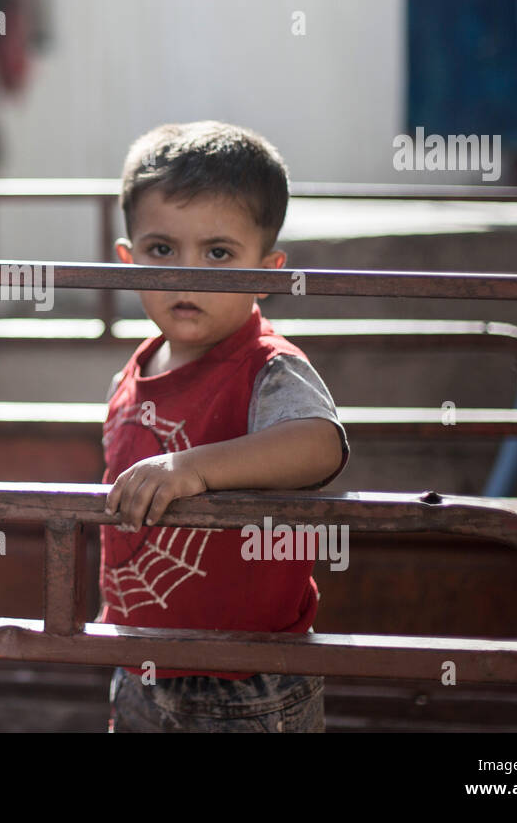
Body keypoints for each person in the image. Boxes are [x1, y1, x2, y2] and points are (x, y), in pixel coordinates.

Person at [100, 120, 349, 732]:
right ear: (129, 262)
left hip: (246, 674)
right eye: (162, 250)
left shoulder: (268, 367)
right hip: (139, 659)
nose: (189, 274)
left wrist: (190, 468)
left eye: (218, 253)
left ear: (267, 270)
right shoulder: (131, 372)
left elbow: (318, 444)